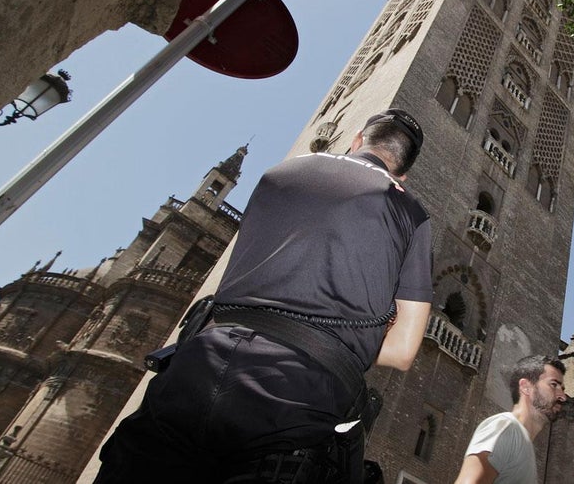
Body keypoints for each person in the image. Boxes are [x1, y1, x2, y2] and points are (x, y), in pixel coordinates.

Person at [95, 109, 434, 484]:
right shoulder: (410, 211)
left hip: (196, 367)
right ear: (403, 172)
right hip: (298, 401)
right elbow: (403, 352)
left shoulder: (279, 174)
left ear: (357, 140)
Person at [454, 355, 568, 484]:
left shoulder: (524, 444)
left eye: (562, 389)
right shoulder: (506, 427)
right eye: (554, 385)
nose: (563, 396)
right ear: (526, 387)